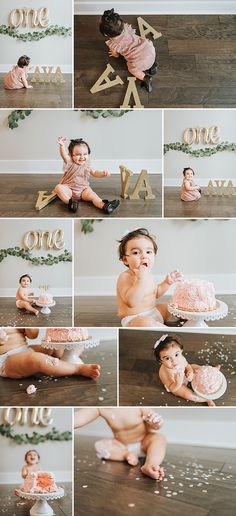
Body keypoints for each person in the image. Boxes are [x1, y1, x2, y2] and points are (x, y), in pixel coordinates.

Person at [74, 408, 166, 480]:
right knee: (100, 445)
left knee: (159, 438)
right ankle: (125, 455)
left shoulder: (138, 407)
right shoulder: (101, 408)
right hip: (121, 446)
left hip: (144, 442)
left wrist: (155, 423)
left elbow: (155, 424)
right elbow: (78, 418)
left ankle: (150, 465)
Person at [116, 228, 183, 327]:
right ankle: (160, 327)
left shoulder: (149, 275)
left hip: (153, 311)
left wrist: (167, 283)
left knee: (172, 306)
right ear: (125, 259)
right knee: (146, 323)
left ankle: (185, 319)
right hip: (134, 318)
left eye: (148, 252)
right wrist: (140, 280)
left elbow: (155, 293)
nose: (144, 256)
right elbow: (131, 302)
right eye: (136, 253)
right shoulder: (125, 277)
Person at [0, 327, 100, 380]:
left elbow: (32, 336)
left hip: (25, 350)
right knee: (38, 359)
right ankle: (76, 368)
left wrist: (28, 327)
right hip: (6, 361)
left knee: (53, 348)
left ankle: (71, 353)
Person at [54, 137, 120, 214]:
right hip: (69, 189)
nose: (82, 157)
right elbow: (64, 155)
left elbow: (95, 172)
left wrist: (102, 174)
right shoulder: (70, 163)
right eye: (78, 154)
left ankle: (105, 206)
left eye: (85, 154)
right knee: (59, 188)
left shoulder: (87, 165)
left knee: (94, 196)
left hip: (83, 190)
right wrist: (62, 145)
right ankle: (70, 202)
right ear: (72, 155)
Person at [99, 9, 158, 92]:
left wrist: (114, 53)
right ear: (122, 24)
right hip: (149, 50)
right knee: (146, 51)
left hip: (140, 61)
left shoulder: (113, 43)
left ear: (105, 34)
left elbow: (116, 55)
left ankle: (145, 78)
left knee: (132, 69)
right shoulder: (126, 28)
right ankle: (153, 65)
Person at [154, 334, 217, 406]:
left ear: (181, 351)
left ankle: (211, 372)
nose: (174, 361)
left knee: (195, 366)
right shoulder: (164, 372)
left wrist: (189, 370)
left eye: (176, 355)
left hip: (184, 374)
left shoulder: (181, 359)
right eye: (167, 358)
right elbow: (171, 388)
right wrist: (177, 383)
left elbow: (187, 365)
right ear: (160, 361)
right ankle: (206, 399)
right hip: (176, 385)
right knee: (187, 394)